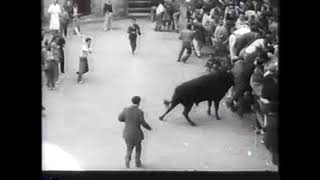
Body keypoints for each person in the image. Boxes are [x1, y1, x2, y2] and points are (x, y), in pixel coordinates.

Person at [118, 96, 152, 168]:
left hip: (127, 133)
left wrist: (127, 120)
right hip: (137, 134)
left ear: (132, 101)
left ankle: (127, 159)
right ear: (139, 103)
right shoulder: (139, 112)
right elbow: (143, 123)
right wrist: (149, 128)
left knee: (129, 148)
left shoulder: (125, 109)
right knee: (138, 148)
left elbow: (120, 118)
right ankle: (137, 162)